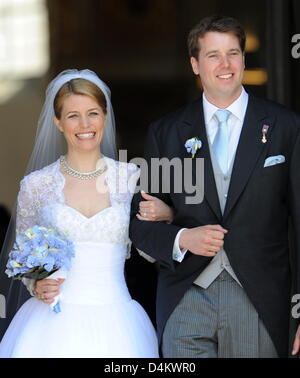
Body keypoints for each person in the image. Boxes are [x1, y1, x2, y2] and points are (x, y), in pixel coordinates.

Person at [129, 15, 300, 358]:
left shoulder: (284, 126)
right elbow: (141, 225)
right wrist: (182, 238)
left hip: (260, 301)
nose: (225, 64)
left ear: (243, 59)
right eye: (213, 55)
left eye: (233, 53)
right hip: (186, 299)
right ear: (195, 64)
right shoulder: (168, 133)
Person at [0, 69, 173, 358]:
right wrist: (38, 282)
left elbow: (153, 249)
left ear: (105, 116)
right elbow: (24, 256)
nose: (84, 124)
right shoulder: (37, 185)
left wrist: (167, 214)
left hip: (118, 321)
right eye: (72, 115)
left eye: (93, 113)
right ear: (57, 121)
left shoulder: (131, 178)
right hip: (50, 327)